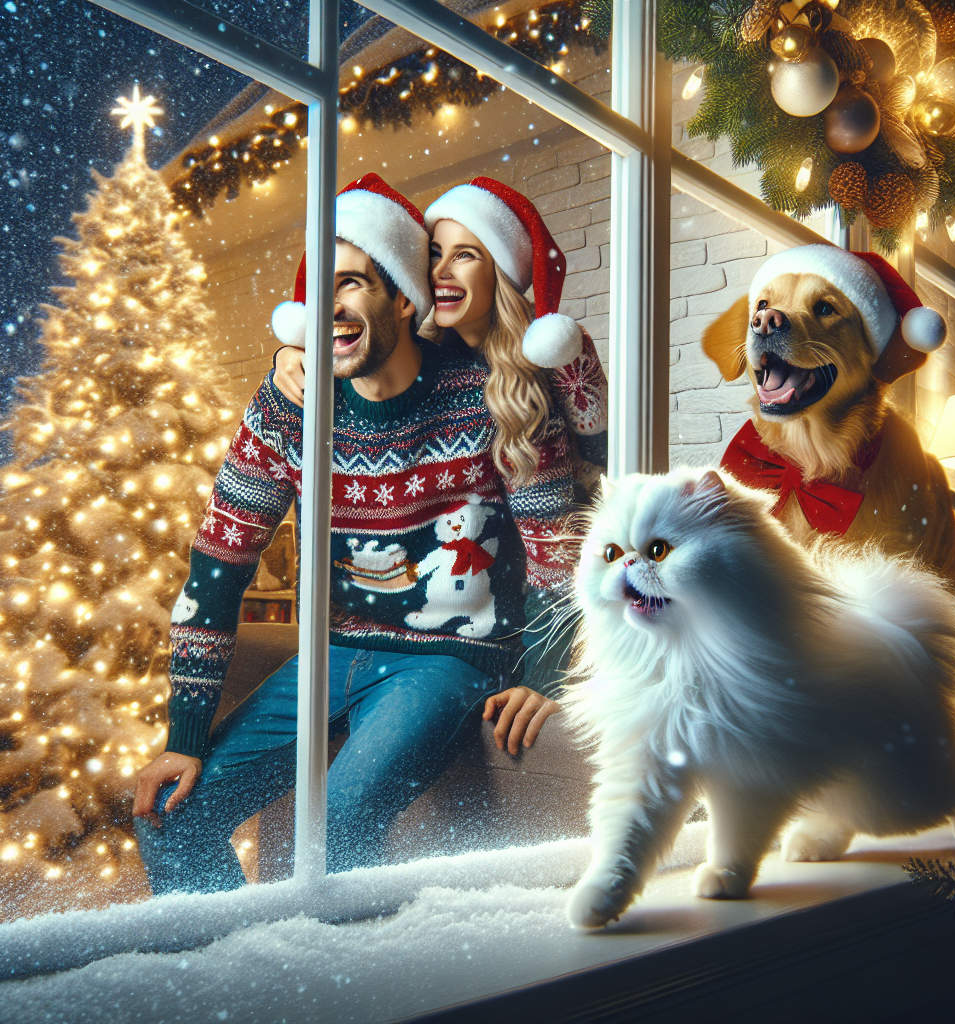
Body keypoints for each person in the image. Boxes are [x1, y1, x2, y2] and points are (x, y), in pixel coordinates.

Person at [132, 174, 578, 893]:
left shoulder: (493, 393)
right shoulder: (288, 405)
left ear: (403, 297)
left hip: (451, 659)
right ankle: (241, 963)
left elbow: (560, 552)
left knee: (336, 823)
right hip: (333, 651)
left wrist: (545, 675)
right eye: (320, 289)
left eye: (351, 284)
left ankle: (342, 967)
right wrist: (183, 736)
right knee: (170, 818)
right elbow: (218, 563)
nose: (329, 307)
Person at [273, 177, 608, 695]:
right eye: (434, 254)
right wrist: (293, 351)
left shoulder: (555, 353)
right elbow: (366, 349)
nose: (439, 272)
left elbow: (605, 462)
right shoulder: (431, 357)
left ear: (501, 271)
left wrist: (552, 670)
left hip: (570, 571)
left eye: (464, 255)